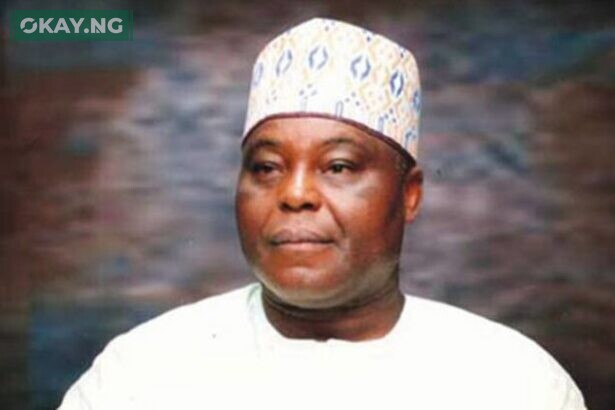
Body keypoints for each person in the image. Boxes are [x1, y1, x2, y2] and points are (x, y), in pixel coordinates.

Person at [59, 18, 586, 410]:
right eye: (267, 167)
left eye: (338, 166)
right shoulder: (140, 374)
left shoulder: (514, 382)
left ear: (409, 194)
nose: (295, 194)